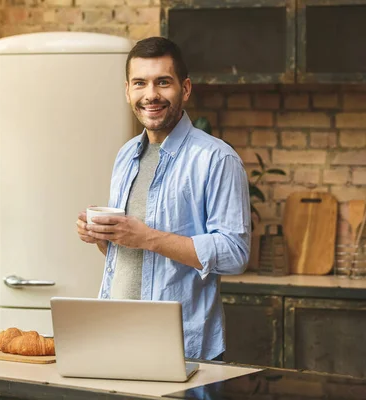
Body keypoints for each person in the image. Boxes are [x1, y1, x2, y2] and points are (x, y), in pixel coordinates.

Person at [76, 37, 251, 361]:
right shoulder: (127, 154)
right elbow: (131, 254)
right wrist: (103, 237)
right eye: (140, 83)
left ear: (184, 89)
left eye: (163, 82)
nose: (150, 94)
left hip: (182, 352)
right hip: (115, 340)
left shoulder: (216, 159)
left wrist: (147, 238)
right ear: (128, 90)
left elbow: (234, 253)